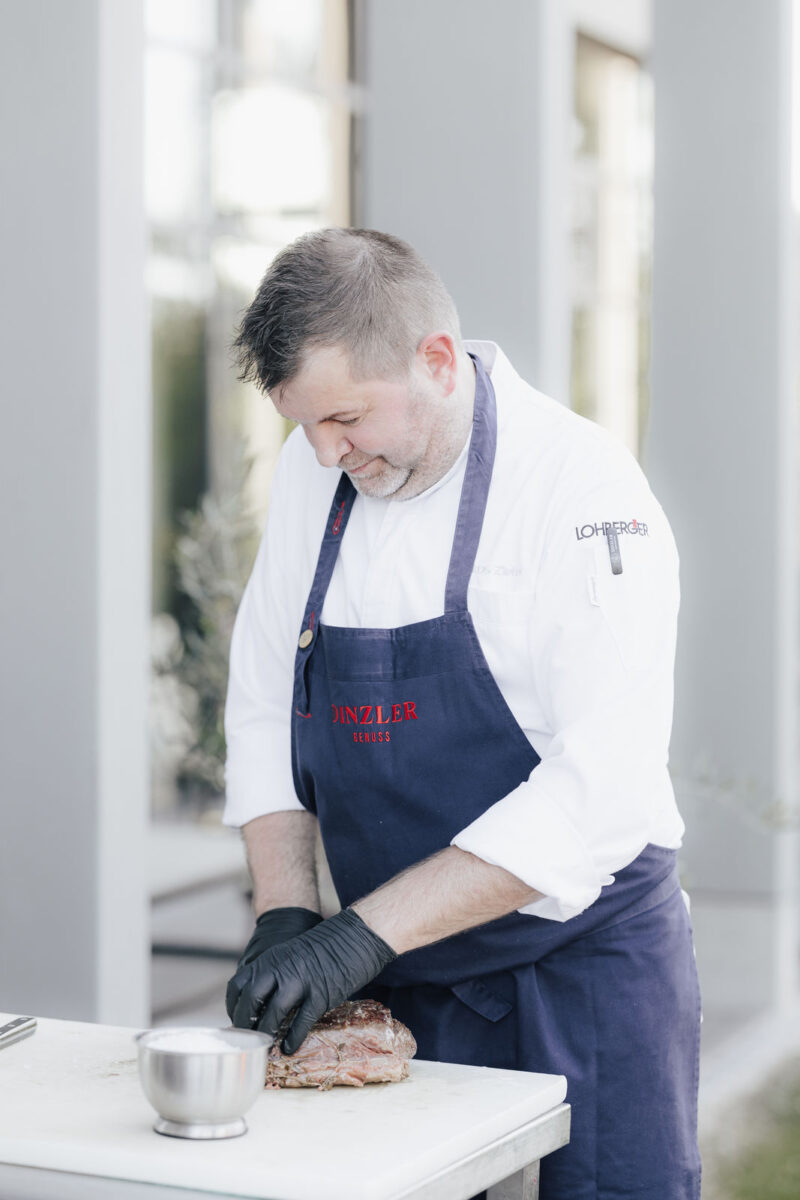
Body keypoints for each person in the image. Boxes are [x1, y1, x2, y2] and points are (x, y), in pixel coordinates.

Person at [222, 228, 701, 1199]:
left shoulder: (580, 492)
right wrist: (285, 914)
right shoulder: (316, 465)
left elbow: (598, 788)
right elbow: (265, 698)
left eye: (345, 418)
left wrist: (354, 936)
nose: (323, 451)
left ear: (435, 360)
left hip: (580, 970)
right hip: (394, 974)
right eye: (304, 425)